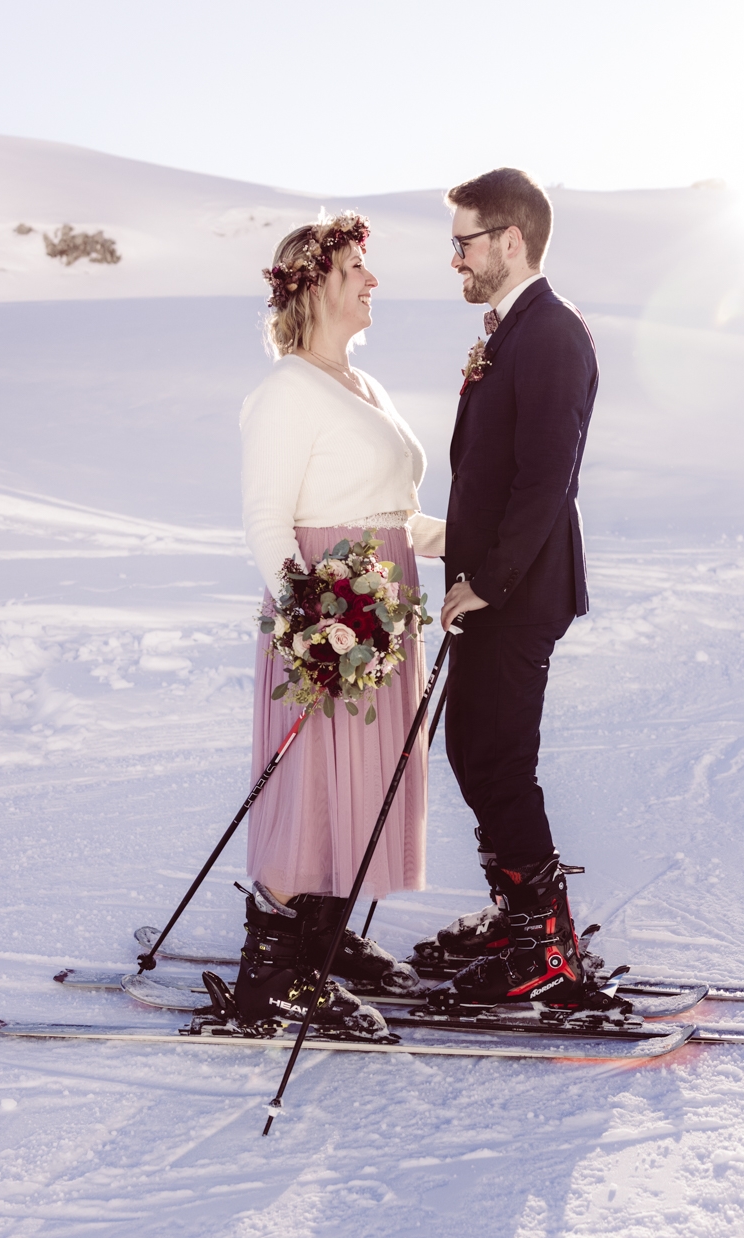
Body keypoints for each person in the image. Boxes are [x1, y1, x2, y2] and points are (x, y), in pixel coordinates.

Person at [208, 212, 446, 1035]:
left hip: (382, 613)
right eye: (355, 269)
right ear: (310, 285)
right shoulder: (285, 390)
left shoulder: (360, 385)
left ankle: (323, 937)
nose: (372, 280)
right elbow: (268, 522)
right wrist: (309, 623)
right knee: (312, 780)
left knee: (364, 780)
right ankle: (273, 972)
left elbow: (394, 514)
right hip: (329, 620)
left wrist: (475, 544)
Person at [430, 168, 599, 1009]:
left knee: (498, 759)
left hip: (519, 590)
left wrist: (487, 583)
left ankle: (545, 944)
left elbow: (546, 481)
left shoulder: (554, 333)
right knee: (475, 751)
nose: (454, 258)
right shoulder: (512, 331)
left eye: (464, 242)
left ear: (510, 240)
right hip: (490, 586)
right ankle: (518, 912)